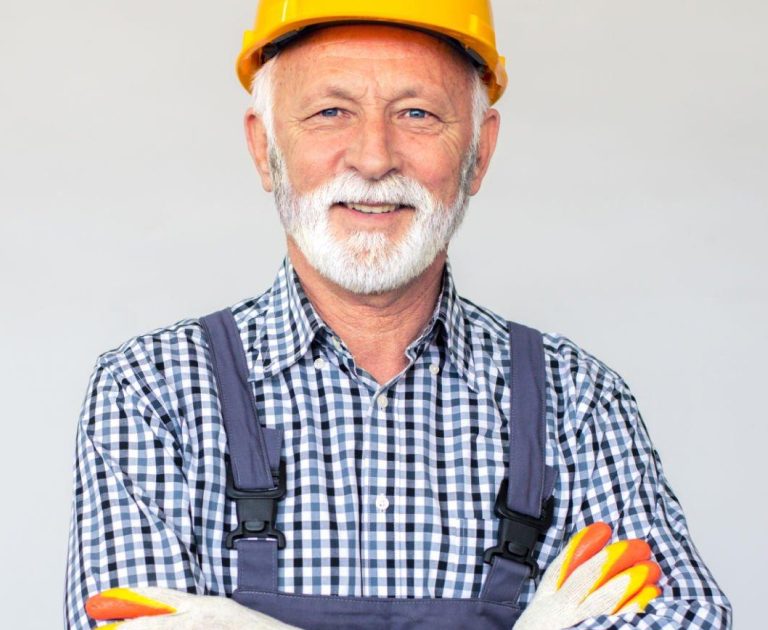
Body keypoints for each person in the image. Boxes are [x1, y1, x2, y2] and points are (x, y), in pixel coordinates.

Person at [65, 2, 731, 628]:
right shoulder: (153, 392)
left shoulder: (577, 402)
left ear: (480, 153)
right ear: (264, 148)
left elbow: (687, 616)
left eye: (417, 114)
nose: (374, 158)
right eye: (330, 112)